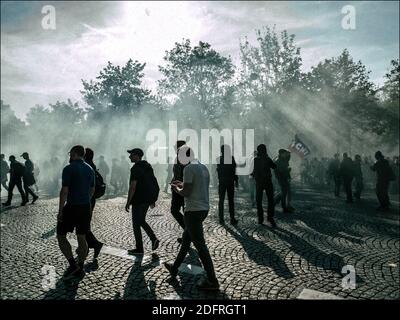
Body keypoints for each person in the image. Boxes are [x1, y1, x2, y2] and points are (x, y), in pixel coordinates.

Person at [164, 146, 219, 291]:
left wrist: (176, 189)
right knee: (186, 240)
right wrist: (181, 184)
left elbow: (187, 192)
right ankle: (174, 268)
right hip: (203, 208)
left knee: (200, 246)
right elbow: (197, 186)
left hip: (192, 210)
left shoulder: (188, 169)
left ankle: (213, 280)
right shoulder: (202, 167)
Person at [56, 145, 95, 278]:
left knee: (61, 236)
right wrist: (86, 200)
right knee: (82, 237)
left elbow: (64, 191)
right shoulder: (90, 168)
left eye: (70, 153)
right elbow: (92, 189)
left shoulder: (68, 168)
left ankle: (72, 265)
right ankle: (81, 266)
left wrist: (60, 210)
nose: (69, 156)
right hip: (85, 207)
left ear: (74, 153)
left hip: (71, 206)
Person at [125, 148, 160, 255]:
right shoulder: (147, 166)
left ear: (137, 156)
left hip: (138, 199)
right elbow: (152, 182)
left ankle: (140, 248)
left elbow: (133, 187)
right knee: (141, 221)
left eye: (131, 154)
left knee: (136, 223)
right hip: (147, 199)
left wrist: (128, 202)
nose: (130, 156)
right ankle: (153, 239)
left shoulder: (135, 168)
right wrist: (152, 198)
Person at [83, 148, 104, 259]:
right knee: (84, 224)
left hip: (87, 199)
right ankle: (86, 247)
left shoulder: (87, 166)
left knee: (83, 225)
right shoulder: (91, 165)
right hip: (89, 199)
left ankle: (95, 244)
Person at [252, 144, 277, 227]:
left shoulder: (256, 159)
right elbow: (274, 167)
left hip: (259, 182)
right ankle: (270, 217)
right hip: (268, 182)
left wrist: (254, 177)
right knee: (270, 200)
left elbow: (254, 171)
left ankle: (260, 218)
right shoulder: (267, 159)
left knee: (259, 201)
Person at [216, 145, 238, 225]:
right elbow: (234, 169)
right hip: (230, 181)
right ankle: (232, 218)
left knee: (221, 200)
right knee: (231, 200)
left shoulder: (219, 159)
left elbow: (218, 170)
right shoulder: (231, 158)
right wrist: (236, 180)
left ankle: (221, 219)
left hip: (222, 182)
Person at [170, 140, 187, 243]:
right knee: (174, 210)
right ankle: (187, 230)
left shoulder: (185, 159)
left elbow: (187, 175)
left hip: (184, 189)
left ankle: (188, 233)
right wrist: (173, 180)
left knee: (186, 213)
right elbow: (176, 173)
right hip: (176, 189)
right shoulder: (177, 158)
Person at [274, 149, 294, 213]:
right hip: (281, 178)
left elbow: (285, 167)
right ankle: (284, 207)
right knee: (284, 192)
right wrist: (288, 170)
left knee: (285, 192)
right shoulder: (278, 161)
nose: (286, 154)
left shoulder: (282, 160)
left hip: (284, 178)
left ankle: (275, 202)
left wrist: (288, 175)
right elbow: (281, 171)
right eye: (285, 153)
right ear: (281, 154)